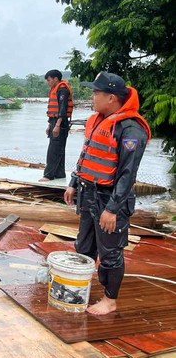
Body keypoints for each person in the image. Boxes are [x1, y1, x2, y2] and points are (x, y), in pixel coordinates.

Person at [64, 72, 150, 315]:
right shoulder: (98, 121)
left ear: (111, 98)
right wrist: (73, 182)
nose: (92, 97)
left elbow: (127, 173)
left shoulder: (131, 129)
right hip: (88, 193)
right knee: (84, 245)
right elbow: (86, 155)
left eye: (95, 93)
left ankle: (110, 301)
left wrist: (112, 209)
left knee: (110, 252)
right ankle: (81, 285)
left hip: (109, 198)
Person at [40, 69, 73, 181]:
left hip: (61, 122)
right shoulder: (56, 89)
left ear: (55, 79)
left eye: (49, 80)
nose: (48, 83)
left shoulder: (62, 89)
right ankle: (59, 174)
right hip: (55, 121)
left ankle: (48, 175)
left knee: (54, 149)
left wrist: (57, 125)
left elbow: (62, 108)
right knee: (59, 149)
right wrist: (50, 125)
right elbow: (53, 111)